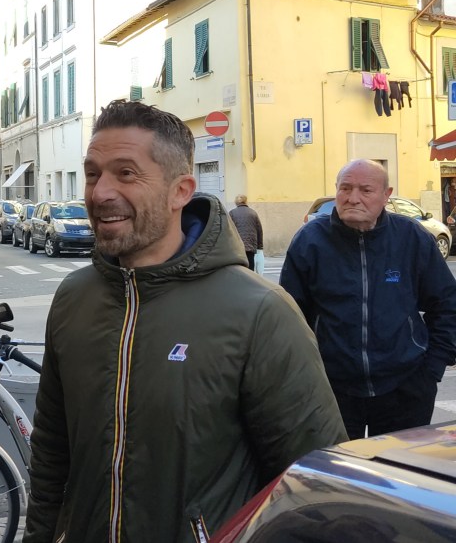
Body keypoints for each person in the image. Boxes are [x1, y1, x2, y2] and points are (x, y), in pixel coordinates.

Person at [24, 100, 346, 543]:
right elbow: (51, 452)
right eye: (93, 174)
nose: (99, 193)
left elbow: (313, 489)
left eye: (126, 173)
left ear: (180, 191)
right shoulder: (73, 298)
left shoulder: (259, 312)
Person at [280, 159, 456, 440]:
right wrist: (305, 377)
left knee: (395, 467)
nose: (353, 198)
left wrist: (431, 370)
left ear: (386, 195)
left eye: (366, 190)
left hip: (405, 389)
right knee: (335, 467)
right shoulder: (311, 241)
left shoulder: (410, 238)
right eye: (345, 188)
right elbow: (289, 317)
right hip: (331, 390)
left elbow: (447, 304)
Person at [229, 194, 263, 270]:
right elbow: (259, 230)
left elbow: (228, 229)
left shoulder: (232, 213)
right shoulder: (253, 213)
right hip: (251, 246)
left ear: (236, 202)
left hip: (237, 246)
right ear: (246, 201)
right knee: (250, 267)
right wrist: (260, 246)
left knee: (239, 268)